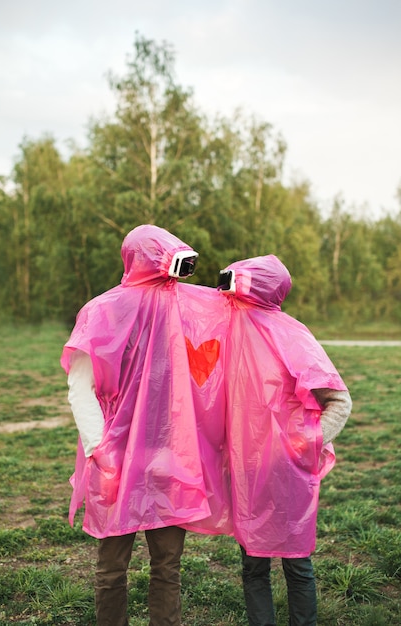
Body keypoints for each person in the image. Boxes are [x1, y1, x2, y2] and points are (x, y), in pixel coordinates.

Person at [61, 224, 218, 626]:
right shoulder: (103, 311)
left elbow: (241, 321)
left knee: (168, 564)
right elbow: (80, 387)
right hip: (117, 453)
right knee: (112, 566)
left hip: (171, 451)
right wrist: (101, 451)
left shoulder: (186, 306)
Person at [217, 254, 352, 626]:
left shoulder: (292, 334)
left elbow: (339, 400)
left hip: (287, 469)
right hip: (246, 469)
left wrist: (306, 443)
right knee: (252, 564)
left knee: (297, 563)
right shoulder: (227, 328)